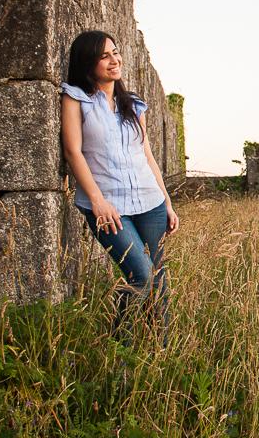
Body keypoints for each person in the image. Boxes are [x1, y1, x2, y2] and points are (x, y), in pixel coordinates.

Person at [60, 30, 179, 335]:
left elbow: (148, 156)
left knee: (158, 276)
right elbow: (74, 152)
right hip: (108, 205)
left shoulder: (133, 105)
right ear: (89, 63)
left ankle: (160, 346)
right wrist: (97, 201)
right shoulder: (76, 98)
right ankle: (119, 347)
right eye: (105, 56)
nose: (115, 60)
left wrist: (166, 202)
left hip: (149, 200)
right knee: (140, 274)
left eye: (115, 52)